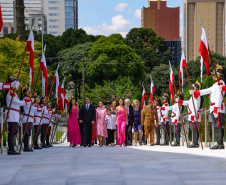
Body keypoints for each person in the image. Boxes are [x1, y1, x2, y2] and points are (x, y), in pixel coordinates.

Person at [190, 63, 225, 149]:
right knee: (216, 125)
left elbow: (220, 96)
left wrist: (216, 107)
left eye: (214, 74)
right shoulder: (215, 84)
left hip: (218, 108)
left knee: (218, 125)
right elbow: (207, 90)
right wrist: (197, 93)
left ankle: (220, 144)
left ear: (218, 75)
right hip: (214, 107)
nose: (213, 75)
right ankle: (219, 143)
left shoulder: (221, 83)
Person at [5, 75, 31, 155]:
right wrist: (26, 102)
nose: (18, 86)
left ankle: (12, 148)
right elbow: (17, 102)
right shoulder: (10, 93)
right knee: (12, 132)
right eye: (16, 84)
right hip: (12, 114)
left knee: (14, 132)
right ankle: (10, 149)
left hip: (15, 114)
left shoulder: (14, 93)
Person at [177, 80, 201, 148]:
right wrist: (180, 101)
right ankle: (194, 142)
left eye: (192, 88)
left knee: (195, 129)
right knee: (193, 129)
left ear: (195, 89)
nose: (191, 89)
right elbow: (187, 103)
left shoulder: (196, 96)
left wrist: (194, 115)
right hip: (192, 115)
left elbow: (196, 106)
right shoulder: (192, 97)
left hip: (194, 115)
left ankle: (195, 143)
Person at [21, 85, 36, 152]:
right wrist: (31, 101)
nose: (31, 93)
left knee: (28, 133)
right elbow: (29, 107)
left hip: (30, 118)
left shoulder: (29, 100)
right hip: (27, 118)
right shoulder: (26, 99)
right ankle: (26, 146)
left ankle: (27, 146)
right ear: (27, 93)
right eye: (30, 92)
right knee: (26, 133)